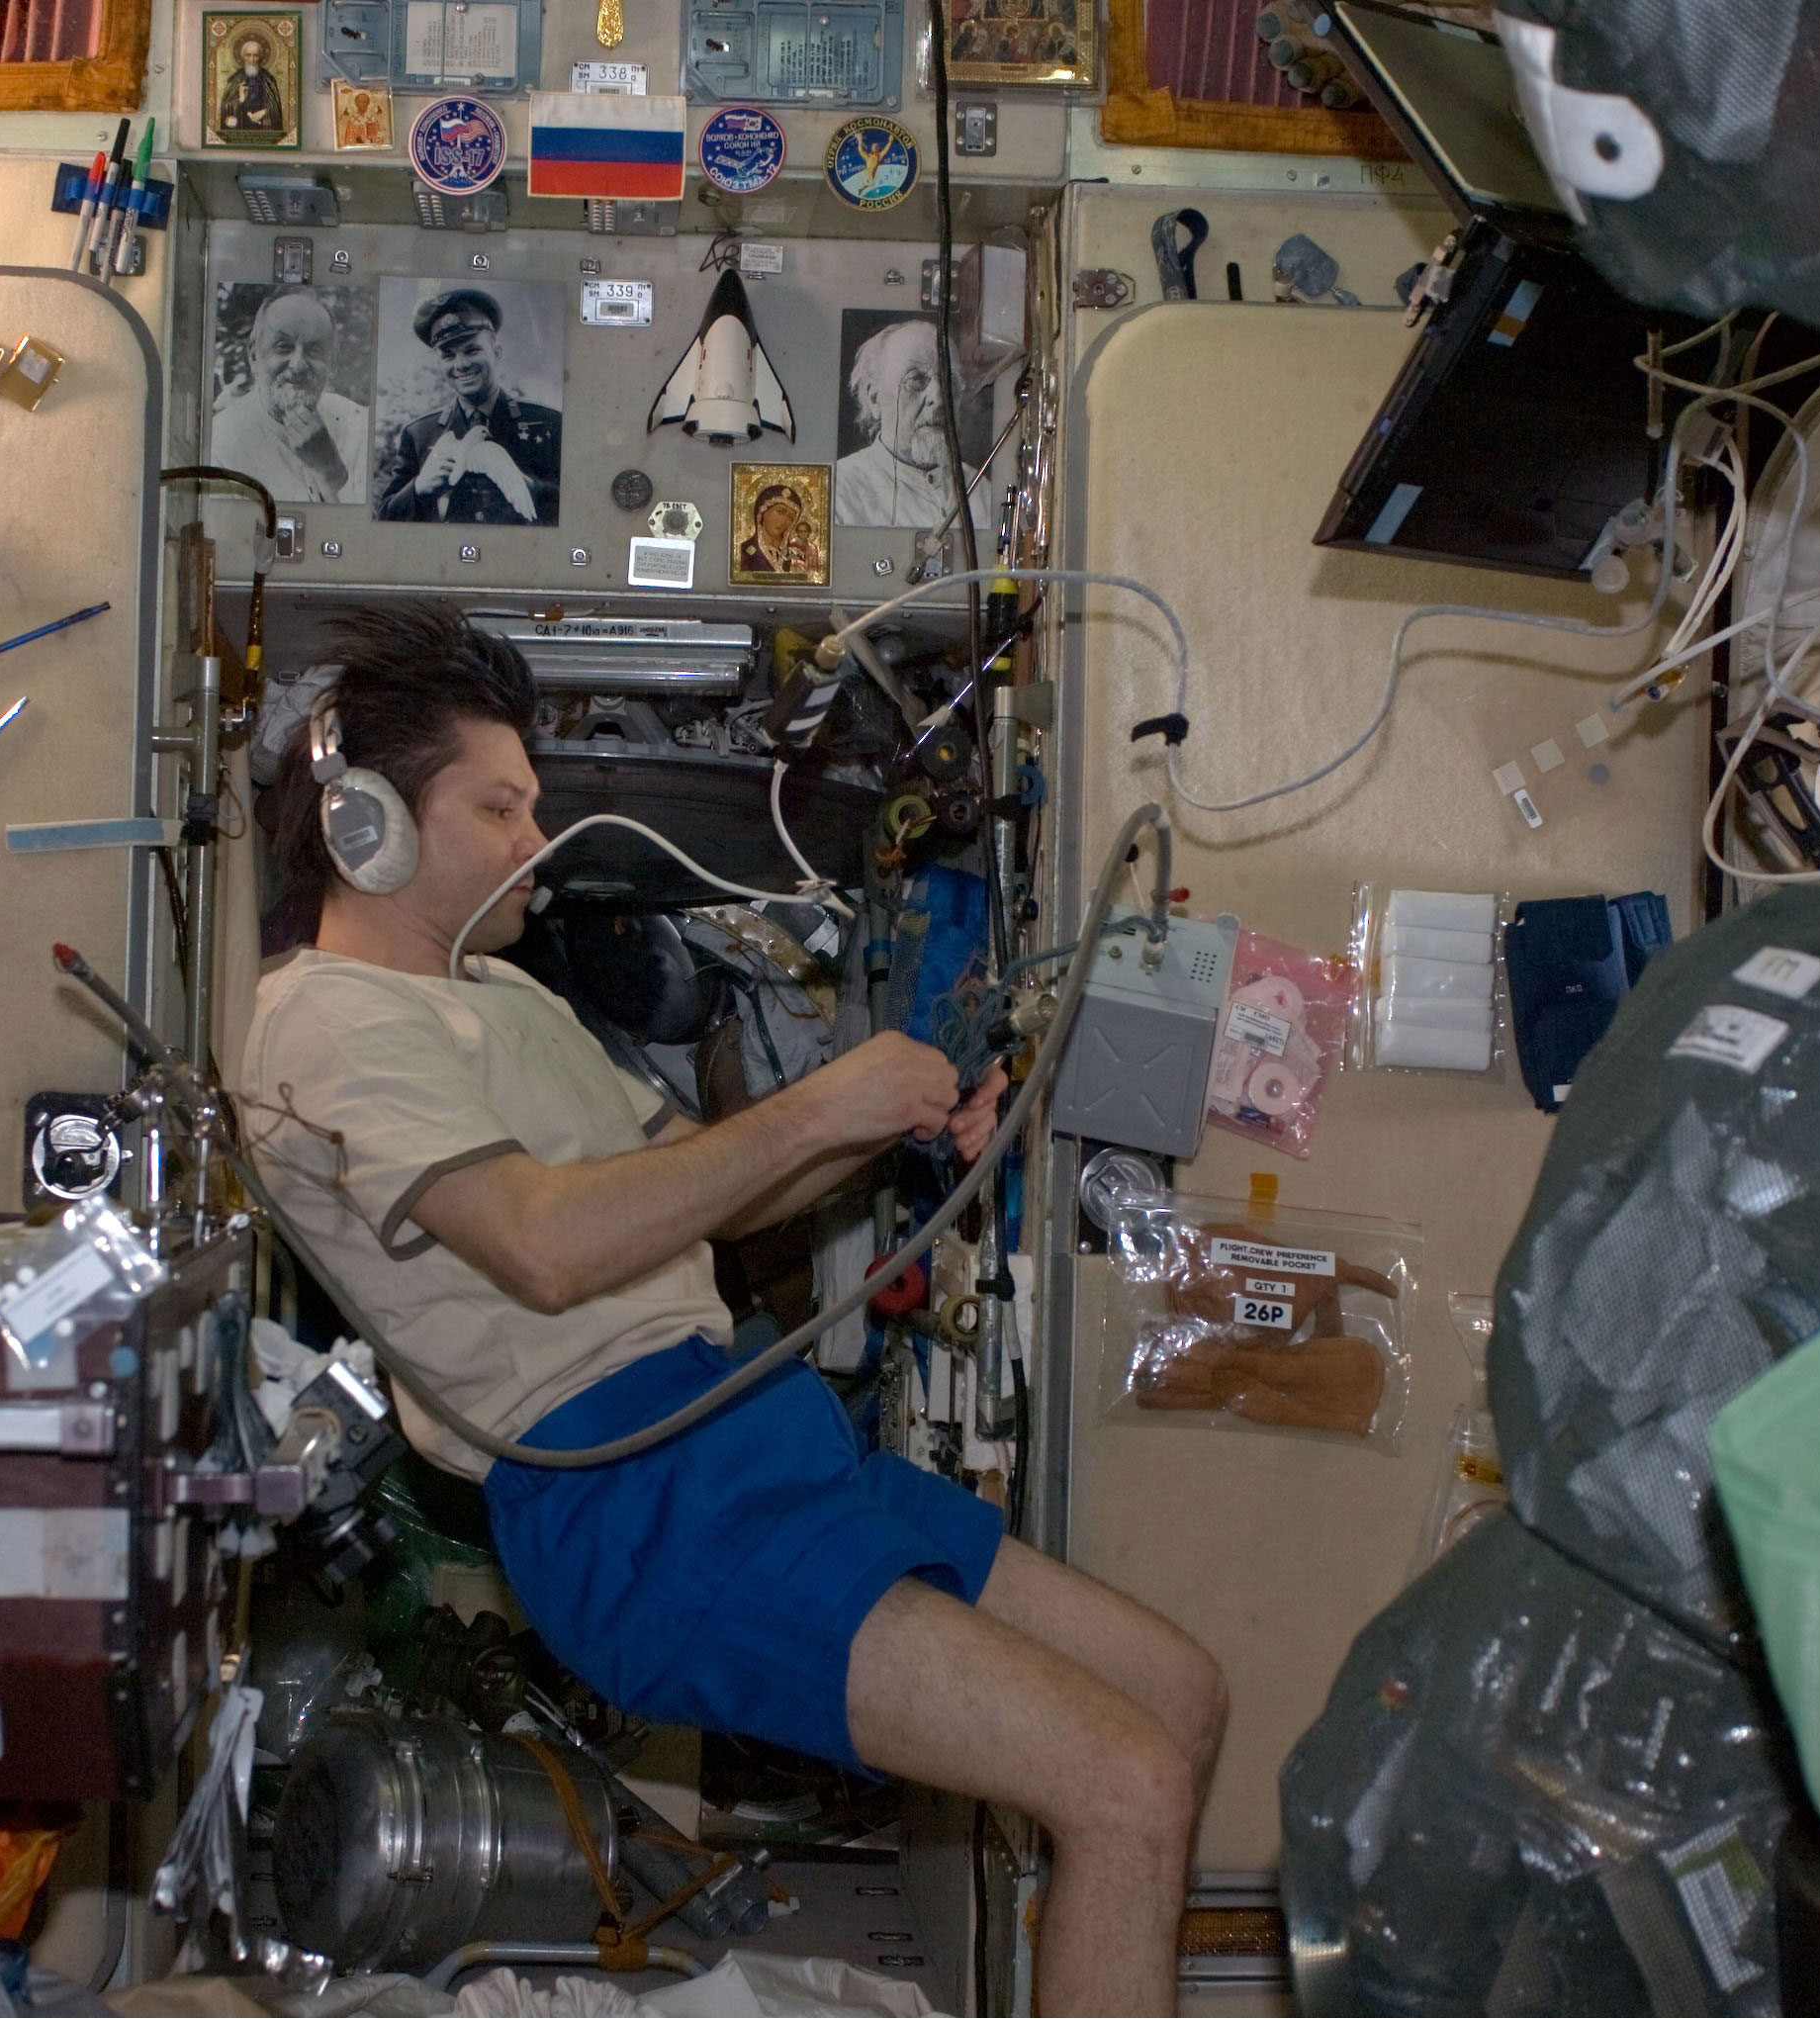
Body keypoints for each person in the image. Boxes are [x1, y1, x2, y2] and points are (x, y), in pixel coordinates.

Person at [243, 604, 1228, 2016]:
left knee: (1178, 1699)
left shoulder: (503, 997)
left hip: (747, 1430)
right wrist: (821, 1105)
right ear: (367, 829)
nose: (537, 840)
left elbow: (710, 1193)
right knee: (1123, 1786)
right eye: (498, 807)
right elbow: (544, 1247)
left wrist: (899, 1121)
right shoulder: (322, 1022)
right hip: (629, 1495)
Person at [373, 290, 562, 525]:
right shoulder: (418, 434)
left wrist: (531, 488)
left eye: (472, 351)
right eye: (448, 356)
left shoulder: (548, 424)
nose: (461, 364)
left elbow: (580, 506)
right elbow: (385, 518)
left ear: (496, 353)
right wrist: (418, 488)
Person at [211, 288, 370, 505]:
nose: (298, 365)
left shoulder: (359, 426)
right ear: (254, 357)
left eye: (314, 350)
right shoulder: (220, 442)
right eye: (283, 347)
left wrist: (332, 472)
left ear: (332, 362)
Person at [834, 317, 991, 533]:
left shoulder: (982, 491)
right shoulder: (839, 492)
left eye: (950, 380)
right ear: (874, 398)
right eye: (916, 379)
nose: (939, 398)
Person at [217, 27, 285, 138]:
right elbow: (226, 108)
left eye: (255, 56)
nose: (252, 60)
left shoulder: (268, 79)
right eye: (248, 55)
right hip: (241, 128)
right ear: (243, 57)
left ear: (260, 57)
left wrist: (264, 112)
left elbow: (275, 109)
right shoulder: (235, 79)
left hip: (263, 129)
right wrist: (240, 100)